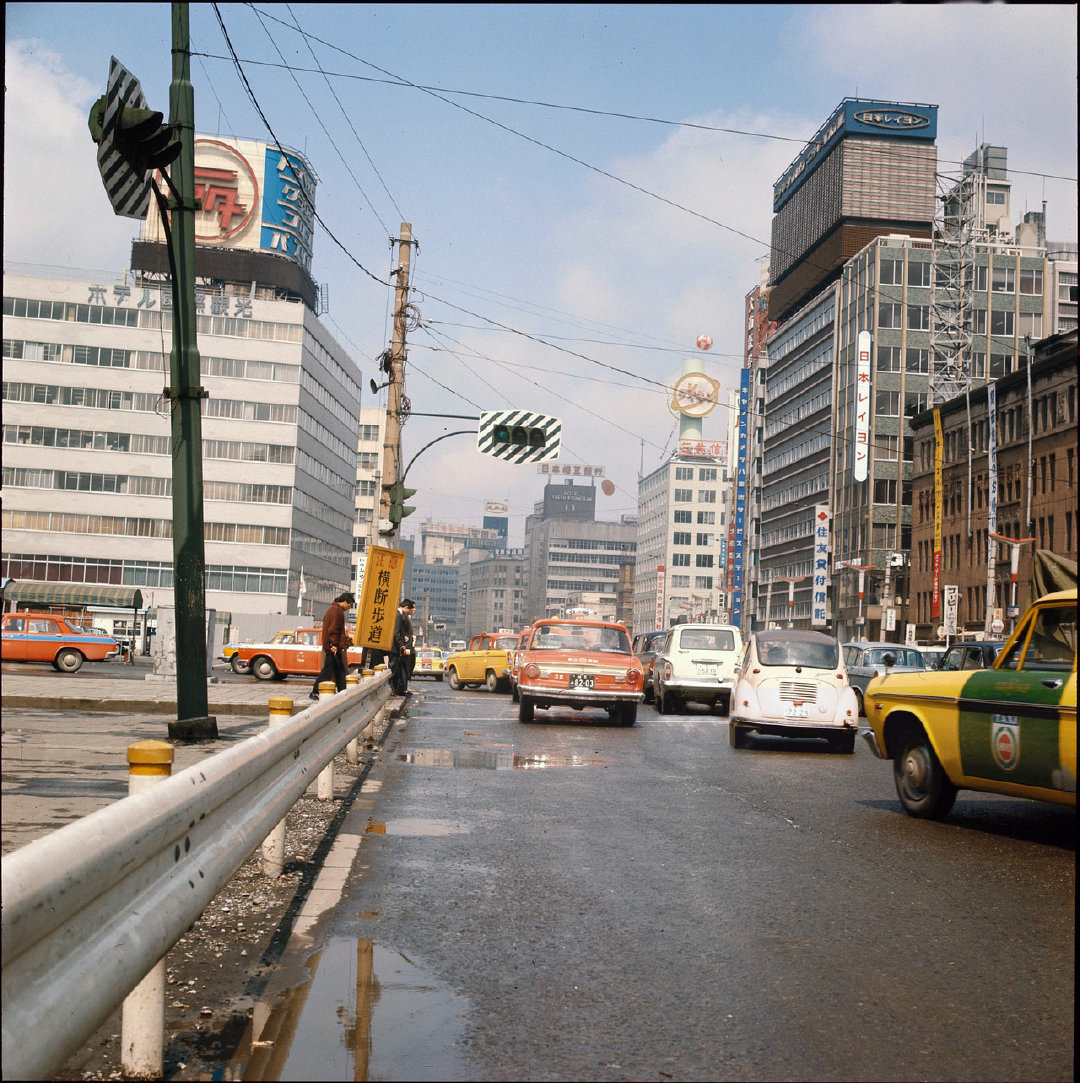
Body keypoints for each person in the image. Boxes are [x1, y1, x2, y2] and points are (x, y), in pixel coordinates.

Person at [310, 592, 355, 699]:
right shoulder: (336, 611)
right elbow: (333, 630)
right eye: (349, 605)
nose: (349, 608)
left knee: (339, 671)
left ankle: (342, 692)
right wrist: (333, 645)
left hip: (333, 647)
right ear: (344, 602)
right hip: (333, 648)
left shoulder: (334, 610)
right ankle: (315, 691)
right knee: (328, 671)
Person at [389, 599, 416, 695]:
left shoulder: (400, 615)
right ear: (406, 607)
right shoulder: (398, 615)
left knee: (396, 669)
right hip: (394, 648)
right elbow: (396, 633)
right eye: (410, 610)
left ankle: (395, 690)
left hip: (398, 647)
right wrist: (401, 645)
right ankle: (393, 689)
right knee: (393, 669)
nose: (410, 612)